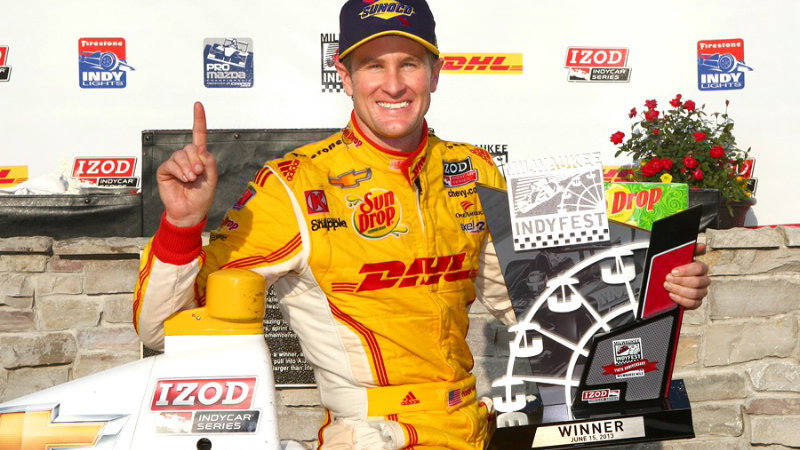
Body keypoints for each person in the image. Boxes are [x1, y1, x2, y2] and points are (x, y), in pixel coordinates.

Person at [133, 1, 710, 448]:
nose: (393, 84)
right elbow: (159, 330)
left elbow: (537, 303)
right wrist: (182, 225)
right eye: (373, 65)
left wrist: (655, 288)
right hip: (372, 434)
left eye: (409, 63)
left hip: (472, 426)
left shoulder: (474, 168)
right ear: (344, 74)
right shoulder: (295, 184)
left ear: (435, 72)